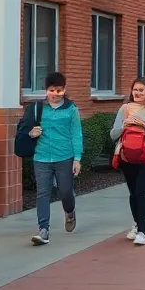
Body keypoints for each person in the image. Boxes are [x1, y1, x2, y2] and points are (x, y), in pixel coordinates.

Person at [110, 78, 145, 246]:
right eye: (135, 89)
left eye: (141, 90)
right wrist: (124, 126)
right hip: (127, 157)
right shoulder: (125, 109)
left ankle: (142, 231)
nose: (137, 93)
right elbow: (113, 135)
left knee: (141, 191)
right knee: (133, 192)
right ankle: (137, 224)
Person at [28, 71, 83, 246]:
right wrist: (31, 133)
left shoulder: (71, 109)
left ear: (64, 90)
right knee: (43, 193)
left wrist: (77, 158)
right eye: (52, 90)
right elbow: (24, 130)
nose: (55, 94)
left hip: (64, 156)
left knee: (65, 191)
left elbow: (76, 134)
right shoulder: (38, 109)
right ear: (46, 90)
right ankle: (43, 230)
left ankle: (70, 211)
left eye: (59, 91)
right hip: (42, 156)